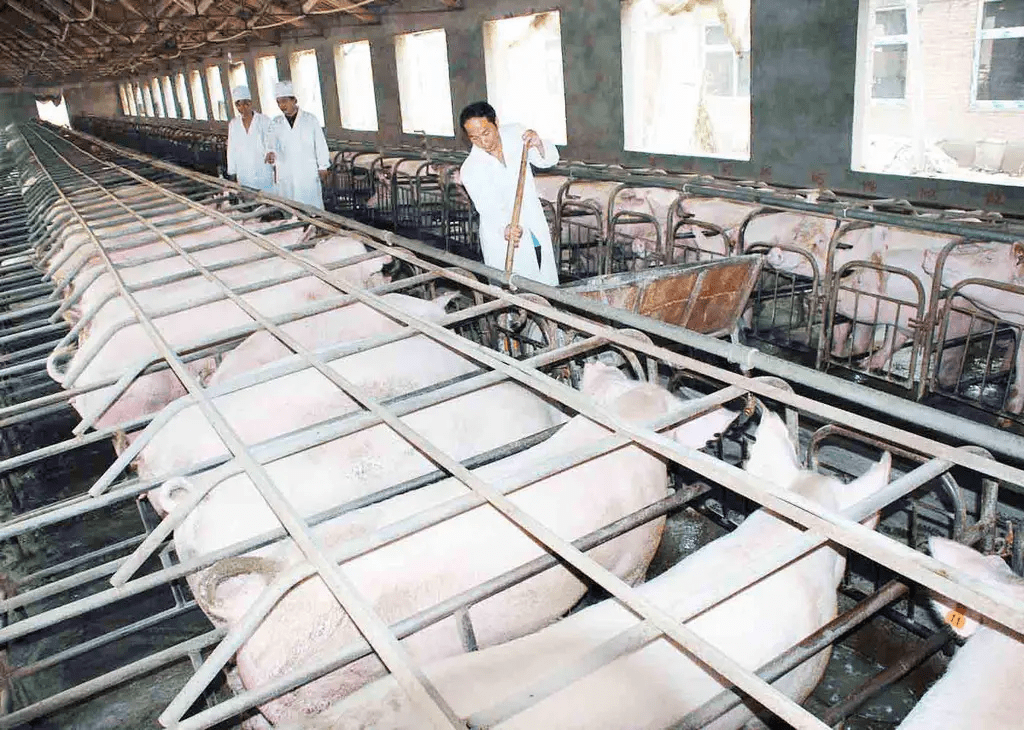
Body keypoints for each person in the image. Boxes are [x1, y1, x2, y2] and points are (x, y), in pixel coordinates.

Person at [458, 101, 560, 286]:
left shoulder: (516, 135)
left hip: (532, 222)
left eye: (486, 133)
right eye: (474, 138)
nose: (483, 142)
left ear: (496, 122)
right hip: (503, 234)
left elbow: (547, 161)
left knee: (543, 280)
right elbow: (487, 209)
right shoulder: (470, 169)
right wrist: (504, 227)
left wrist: (538, 143)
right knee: (511, 287)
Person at [264, 80, 330, 209]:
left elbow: (320, 144)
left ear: (294, 100)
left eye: (284, 101)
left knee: (311, 206)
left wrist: (323, 166)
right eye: (278, 102)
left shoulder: (310, 119)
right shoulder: (276, 122)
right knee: (289, 206)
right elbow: (270, 142)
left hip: (306, 171)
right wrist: (270, 152)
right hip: (286, 170)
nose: (281, 105)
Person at [225, 86, 274, 192]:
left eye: (246, 103)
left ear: (250, 103)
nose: (243, 108)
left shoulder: (264, 120)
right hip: (244, 170)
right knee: (248, 201)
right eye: (239, 104)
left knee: (268, 200)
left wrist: (271, 152)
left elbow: (272, 141)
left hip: (262, 168)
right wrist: (232, 172)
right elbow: (231, 149)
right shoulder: (234, 124)